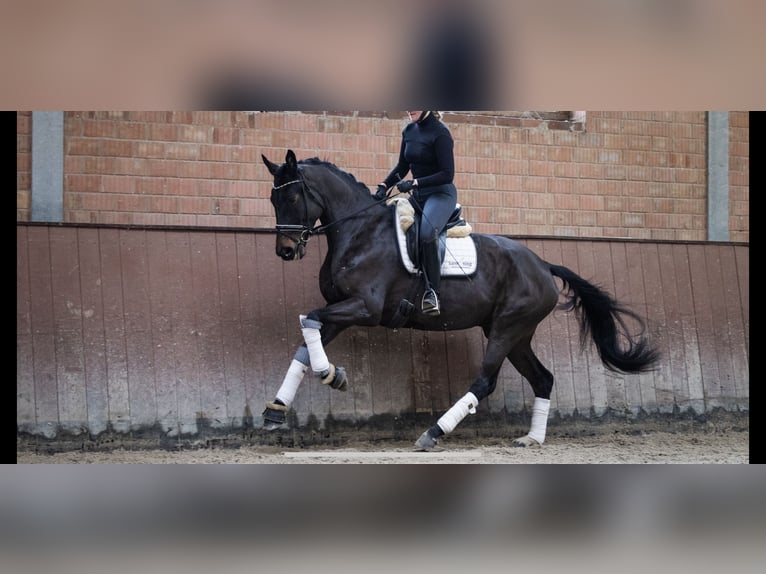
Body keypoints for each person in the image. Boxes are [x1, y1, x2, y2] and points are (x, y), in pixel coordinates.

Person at [375, 111, 457, 316]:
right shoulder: (409, 130)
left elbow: (448, 174)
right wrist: (385, 185)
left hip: (440, 194)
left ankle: (433, 293)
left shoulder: (441, 134)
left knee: (428, 234)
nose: (409, 109)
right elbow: (403, 166)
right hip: (418, 196)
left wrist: (415, 182)